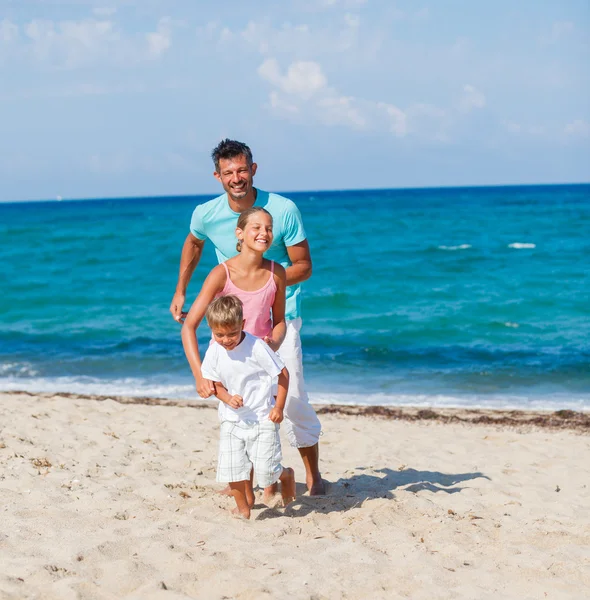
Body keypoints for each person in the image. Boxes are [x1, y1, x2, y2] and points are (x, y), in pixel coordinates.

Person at [171, 139, 325, 495]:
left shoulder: (283, 209)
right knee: (245, 401)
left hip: (279, 319)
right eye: (228, 173)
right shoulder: (205, 214)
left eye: (242, 170)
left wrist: (267, 281)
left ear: (253, 169)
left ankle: (313, 476)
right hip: (235, 328)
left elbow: (304, 264)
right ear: (218, 176)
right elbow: (194, 243)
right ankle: (257, 479)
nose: (236, 178)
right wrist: (181, 289)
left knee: (293, 398)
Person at [193, 295, 296, 519]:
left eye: (232, 333)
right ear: (211, 329)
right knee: (233, 466)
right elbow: (215, 384)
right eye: (219, 335)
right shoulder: (214, 351)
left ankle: (286, 475)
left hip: (262, 417)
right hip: (232, 419)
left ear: (243, 324)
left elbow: (283, 374)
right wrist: (227, 398)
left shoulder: (256, 347)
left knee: (266, 471)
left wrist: (278, 407)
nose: (226, 340)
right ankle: (244, 508)